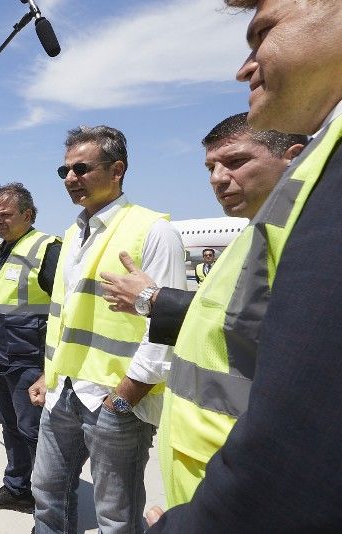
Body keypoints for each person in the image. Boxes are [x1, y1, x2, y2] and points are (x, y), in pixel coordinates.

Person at [146, 1, 342, 530]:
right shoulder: (262, 224)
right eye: (210, 167)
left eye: (263, 31)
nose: (245, 65)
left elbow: (307, 443)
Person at [99, 112, 307, 511]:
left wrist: (154, 300)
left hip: (237, 476)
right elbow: (228, 328)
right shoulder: (254, 235)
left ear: (294, 159)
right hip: (202, 466)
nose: (217, 178)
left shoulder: (300, 237)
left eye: (236, 161)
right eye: (211, 167)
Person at [28, 125, 186, 534]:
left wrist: (126, 397)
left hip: (116, 400)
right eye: (63, 170)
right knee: (46, 492)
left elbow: (167, 328)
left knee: (115, 516)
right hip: (64, 391)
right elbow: (65, 316)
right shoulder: (72, 234)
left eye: (81, 168)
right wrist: (50, 374)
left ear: (117, 170)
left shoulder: (154, 230)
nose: (70, 179)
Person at [0, 183, 61, 513]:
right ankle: (17, 488)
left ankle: (49, 502)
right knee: (9, 425)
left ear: (28, 214)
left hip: (30, 361)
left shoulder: (46, 249)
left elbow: (67, 308)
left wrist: (49, 368)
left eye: (6, 214)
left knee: (35, 432)